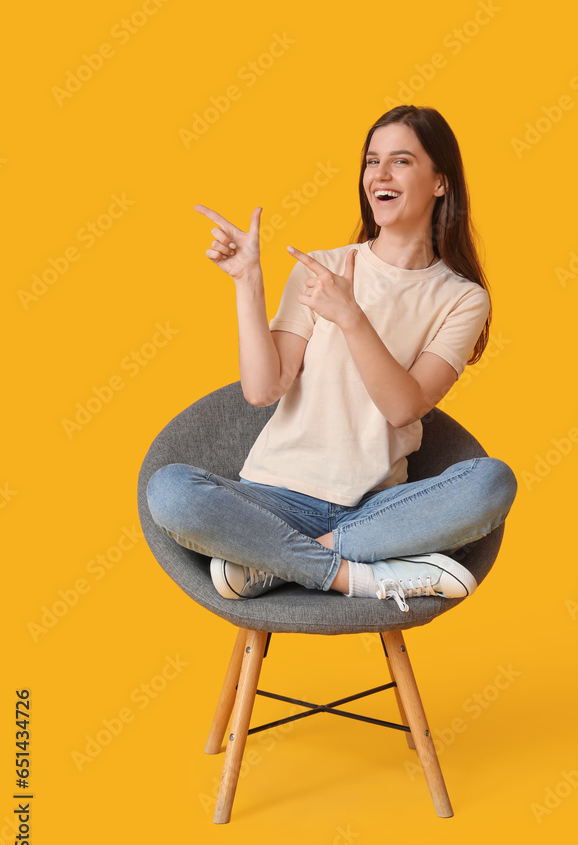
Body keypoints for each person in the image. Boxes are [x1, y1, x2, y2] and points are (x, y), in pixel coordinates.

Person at [146, 105, 518, 612]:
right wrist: (247, 282)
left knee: (490, 482)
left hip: (376, 510)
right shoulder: (321, 268)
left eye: (401, 161)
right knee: (170, 491)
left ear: (440, 183)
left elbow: (403, 408)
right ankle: (357, 578)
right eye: (371, 161)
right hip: (275, 500)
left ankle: (271, 564)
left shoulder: (462, 298)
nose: (379, 175)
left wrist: (351, 316)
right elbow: (262, 389)